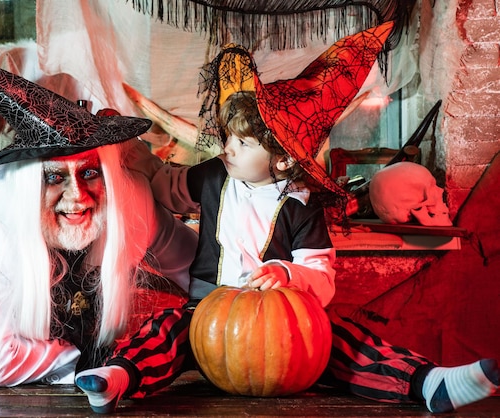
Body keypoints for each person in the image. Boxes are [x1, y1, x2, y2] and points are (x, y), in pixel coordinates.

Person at [75, 23, 499, 414]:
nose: (229, 147)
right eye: (229, 137)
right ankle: (118, 378)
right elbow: (165, 186)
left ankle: (427, 383)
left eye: (241, 142)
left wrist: (286, 272)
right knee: (165, 331)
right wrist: (132, 155)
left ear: (280, 161)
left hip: (281, 322)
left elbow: (321, 276)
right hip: (208, 312)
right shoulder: (214, 175)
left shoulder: (299, 203)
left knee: (342, 341)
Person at [0, 46, 198, 388]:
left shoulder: (128, 202)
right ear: (30, 182)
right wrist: (85, 365)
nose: (77, 197)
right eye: (55, 177)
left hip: (73, 388)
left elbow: (197, 267)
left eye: (89, 173)